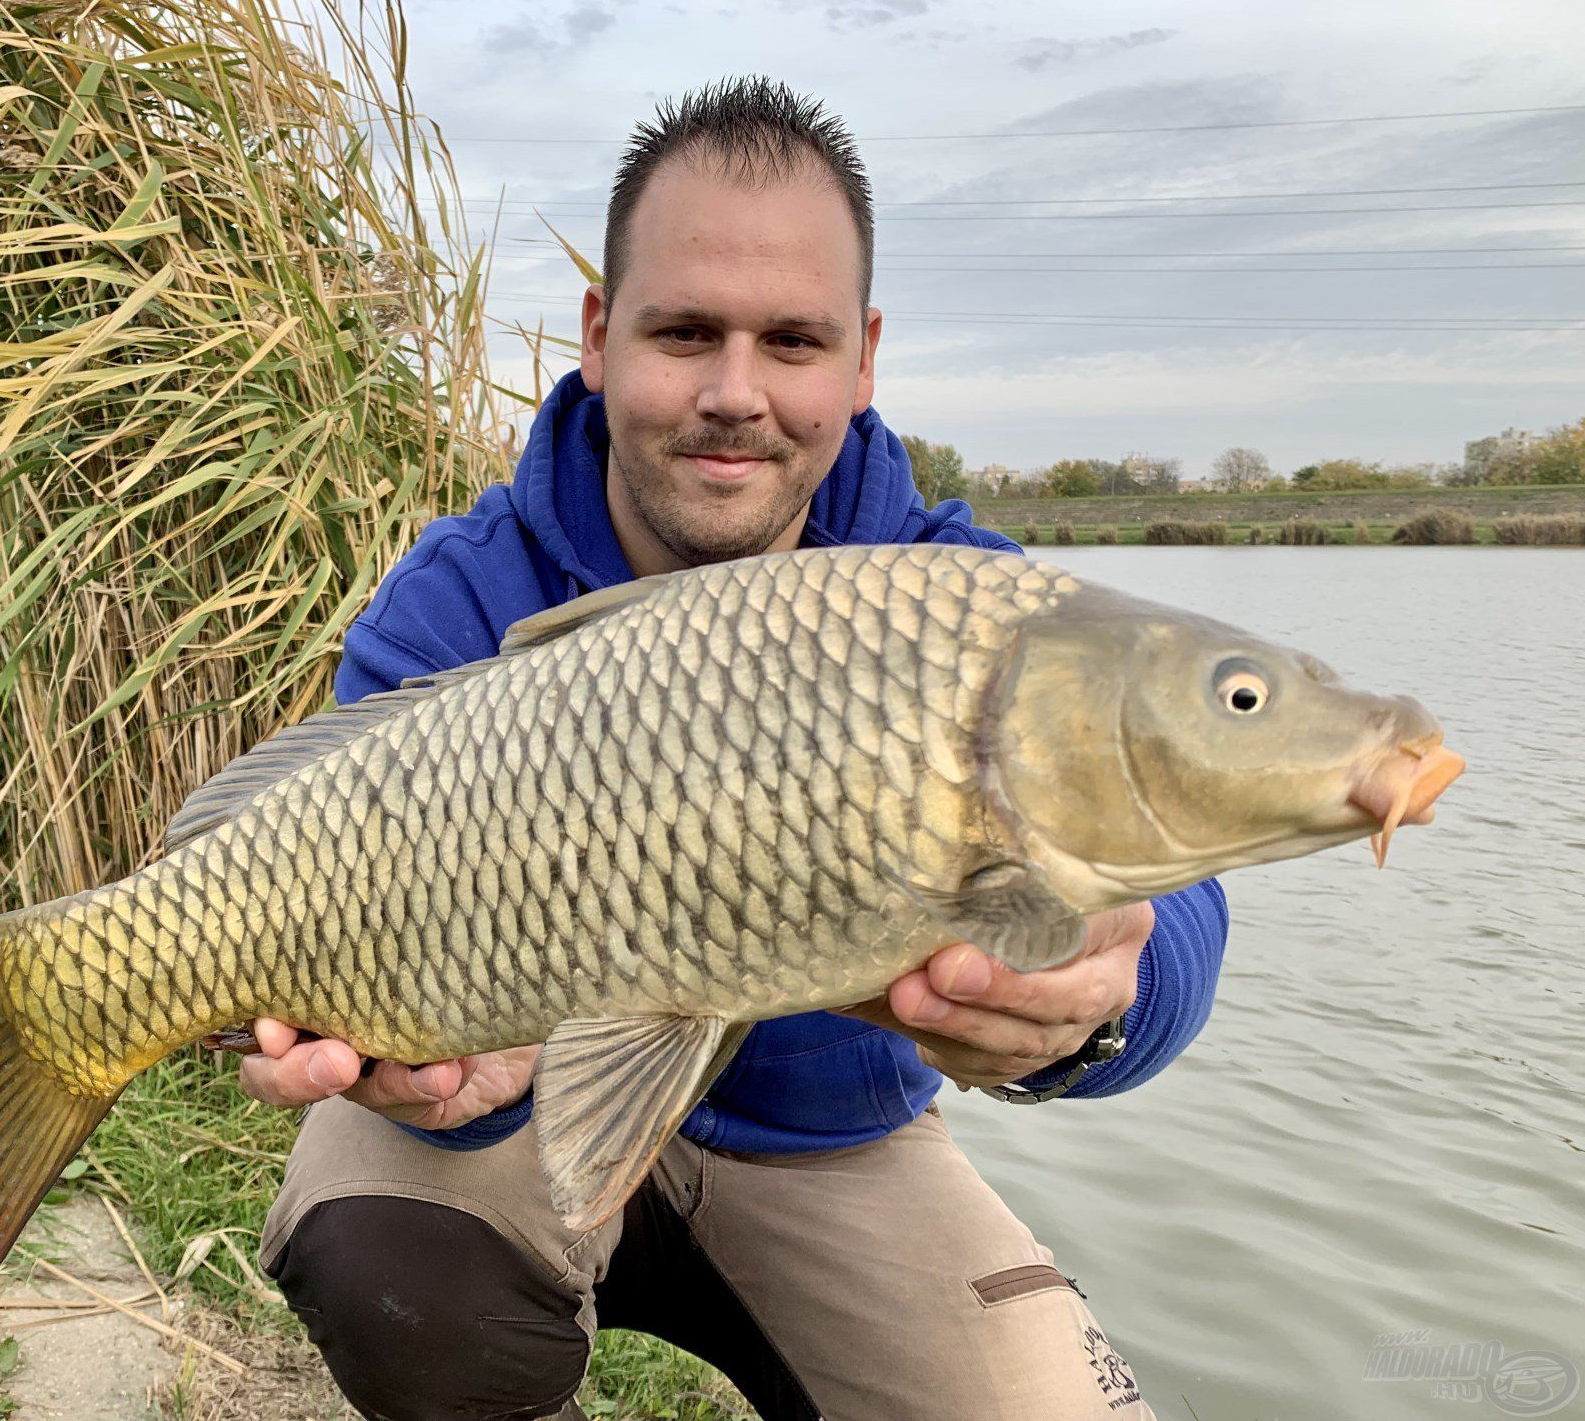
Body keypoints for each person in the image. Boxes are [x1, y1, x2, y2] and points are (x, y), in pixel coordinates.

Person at [244, 77, 1227, 1421]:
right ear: (599, 334)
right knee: (383, 1252)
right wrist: (433, 1077)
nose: (734, 394)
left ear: (864, 358)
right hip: (520, 1125)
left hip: (834, 1152)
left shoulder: (961, 603)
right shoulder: (460, 601)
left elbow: (1173, 914)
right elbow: (328, 929)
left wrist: (1101, 1007)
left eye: (795, 342)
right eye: (685, 332)